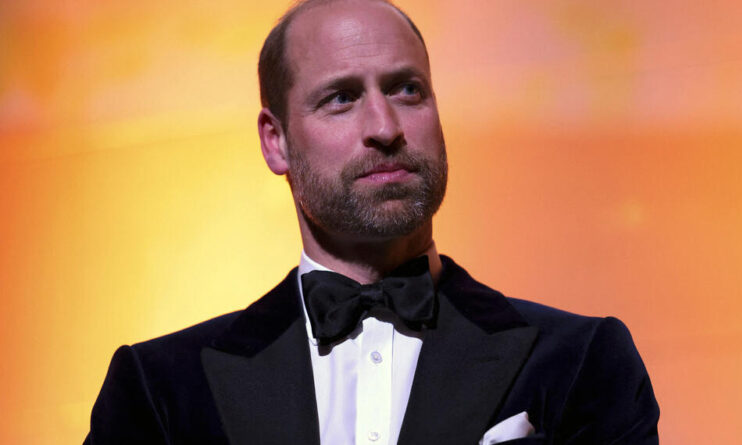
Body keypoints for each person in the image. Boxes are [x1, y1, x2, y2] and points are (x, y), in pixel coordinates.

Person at [85, 0, 659, 444]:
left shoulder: (582, 361)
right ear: (276, 140)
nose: (385, 126)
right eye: (340, 98)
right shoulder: (160, 388)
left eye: (407, 89)